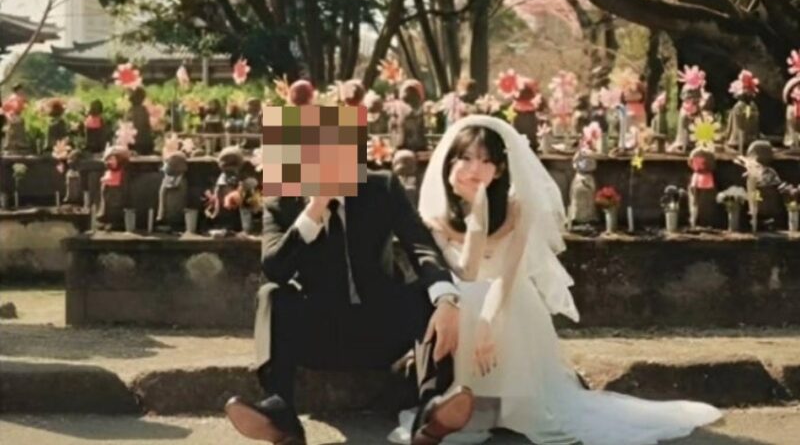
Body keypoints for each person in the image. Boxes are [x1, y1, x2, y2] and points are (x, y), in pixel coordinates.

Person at [390, 115, 722, 445]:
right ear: (450, 162)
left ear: (500, 170)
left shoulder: (517, 207)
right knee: (466, 296)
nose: (474, 168)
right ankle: (464, 403)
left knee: (494, 299)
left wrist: (488, 323)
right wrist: (478, 214)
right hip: (466, 300)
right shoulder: (433, 218)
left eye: (486, 160)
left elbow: (507, 277)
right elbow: (468, 273)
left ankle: (509, 405)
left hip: (509, 301)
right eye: (465, 157)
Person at [226, 169, 477, 444]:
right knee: (271, 295)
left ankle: (431, 409)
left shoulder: (381, 186)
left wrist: (446, 298)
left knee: (430, 295)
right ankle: (281, 415)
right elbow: (275, 268)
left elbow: (420, 245)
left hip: (383, 329)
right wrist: (314, 210)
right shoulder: (282, 197)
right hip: (320, 336)